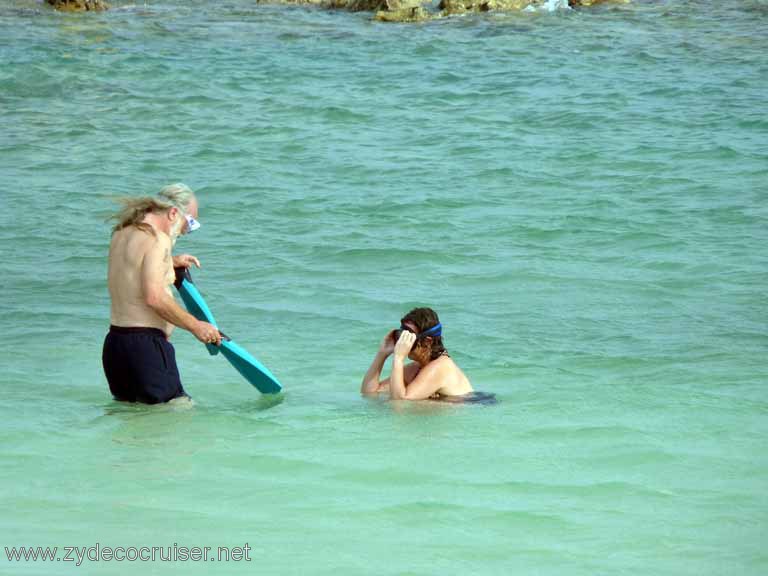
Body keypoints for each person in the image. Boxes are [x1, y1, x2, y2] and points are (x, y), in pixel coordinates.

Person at [102, 183, 221, 404]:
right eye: (190, 223)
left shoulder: (122, 232)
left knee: (131, 424)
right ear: (173, 212)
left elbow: (132, 270)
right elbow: (154, 297)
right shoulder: (159, 239)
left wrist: (171, 263)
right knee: (178, 416)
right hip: (146, 349)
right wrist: (197, 326)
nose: (187, 232)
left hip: (115, 347)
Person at [361, 307, 475, 401]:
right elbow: (370, 393)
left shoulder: (441, 367)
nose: (404, 342)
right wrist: (382, 354)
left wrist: (399, 358)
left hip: (474, 406)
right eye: (402, 335)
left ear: (427, 341)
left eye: (409, 337)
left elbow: (400, 403)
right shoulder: (417, 368)